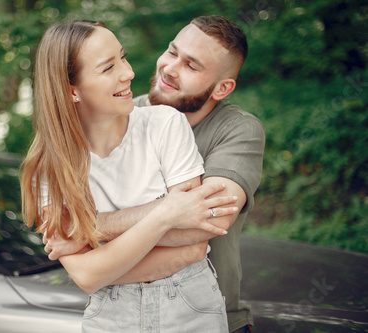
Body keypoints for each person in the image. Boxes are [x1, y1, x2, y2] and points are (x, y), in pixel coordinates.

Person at [44, 16, 266, 333]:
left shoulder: (237, 130)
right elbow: (83, 271)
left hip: (208, 315)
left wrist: (89, 227)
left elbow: (209, 222)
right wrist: (173, 211)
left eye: (191, 65)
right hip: (120, 316)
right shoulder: (116, 115)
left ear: (222, 88)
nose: (170, 68)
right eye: (172, 52)